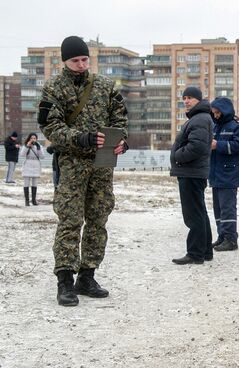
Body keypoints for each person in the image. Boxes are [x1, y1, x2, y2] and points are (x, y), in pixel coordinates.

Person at [38, 36, 128, 306]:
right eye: (75, 60)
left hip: (102, 164)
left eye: (84, 59)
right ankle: (65, 280)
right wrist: (82, 138)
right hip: (72, 164)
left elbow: (120, 117)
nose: (81, 64)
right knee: (70, 220)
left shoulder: (104, 86)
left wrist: (122, 139)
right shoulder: (54, 88)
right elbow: (50, 127)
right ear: (64, 61)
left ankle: (87, 275)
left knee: (99, 218)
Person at [170, 87, 213, 265]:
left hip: (191, 172)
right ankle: (206, 251)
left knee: (193, 214)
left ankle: (195, 253)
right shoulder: (199, 117)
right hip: (193, 171)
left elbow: (197, 147)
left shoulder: (200, 119)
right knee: (199, 212)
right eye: (184, 98)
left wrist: (177, 156)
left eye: (190, 98)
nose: (186, 101)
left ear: (199, 100)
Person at [209, 97, 239, 252]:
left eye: (218, 112)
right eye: (214, 112)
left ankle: (231, 239)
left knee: (227, 208)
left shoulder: (238, 126)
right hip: (215, 173)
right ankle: (222, 236)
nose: (216, 115)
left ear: (225, 110)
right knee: (218, 209)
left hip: (229, 173)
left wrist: (217, 145)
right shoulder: (215, 125)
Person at [19, 133, 44, 206]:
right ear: (29, 139)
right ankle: (27, 201)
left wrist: (38, 148)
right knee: (26, 183)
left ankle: (33, 200)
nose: (33, 140)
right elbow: (22, 155)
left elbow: (42, 156)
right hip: (28, 164)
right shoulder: (26, 145)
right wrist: (27, 146)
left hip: (36, 164)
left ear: (36, 139)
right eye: (31, 138)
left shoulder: (39, 146)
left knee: (35, 183)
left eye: (34, 138)